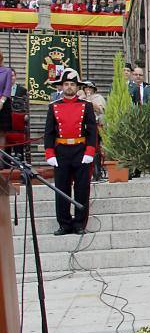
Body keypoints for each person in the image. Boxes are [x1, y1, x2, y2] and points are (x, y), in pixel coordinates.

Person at [43, 69, 98, 236]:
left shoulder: (86, 106)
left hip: (80, 150)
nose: (69, 87)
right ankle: (64, 224)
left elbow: (92, 130)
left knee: (82, 188)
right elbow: (48, 132)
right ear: (62, 86)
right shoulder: (54, 106)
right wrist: (49, 153)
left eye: (72, 84)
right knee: (62, 188)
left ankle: (80, 223)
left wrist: (90, 151)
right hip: (61, 151)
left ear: (77, 87)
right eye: (66, 84)